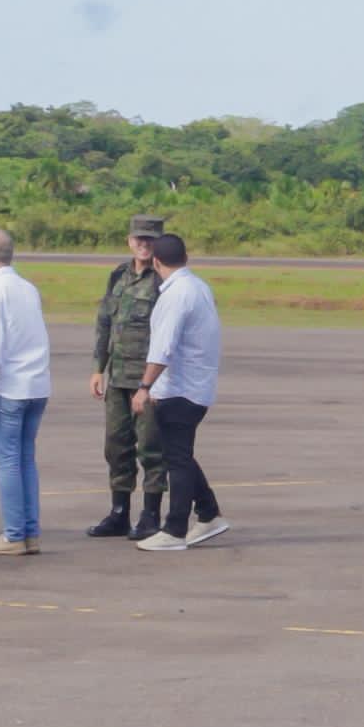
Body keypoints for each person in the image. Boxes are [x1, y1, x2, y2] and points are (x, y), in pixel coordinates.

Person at [132, 231, 227, 549]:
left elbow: (163, 347)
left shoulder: (175, 295)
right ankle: (209, 513)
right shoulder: (198, 286)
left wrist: (144, 386)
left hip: (180, 389)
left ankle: (174, 530)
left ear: (156, 262)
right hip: (196, 386)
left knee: (177, 460)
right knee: (180, 455)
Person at [0, 224, 52, 554]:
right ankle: (30, 532)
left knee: (7, 462)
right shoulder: (27, 288)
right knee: (25, 460)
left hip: (9, 387)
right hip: (36, 385)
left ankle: (14, 534)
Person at [89, 216, 166, 539]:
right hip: (118, 377)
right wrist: (97, 367)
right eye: (139, 238)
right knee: (116, 445)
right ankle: (119, 511)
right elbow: (105, 322)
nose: (144, 244)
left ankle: (151, 515)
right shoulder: (118, 275)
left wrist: (155, 383)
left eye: (150, 239)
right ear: (129, 240)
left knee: (151, 447)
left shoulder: (164, 279)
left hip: (149, 380)